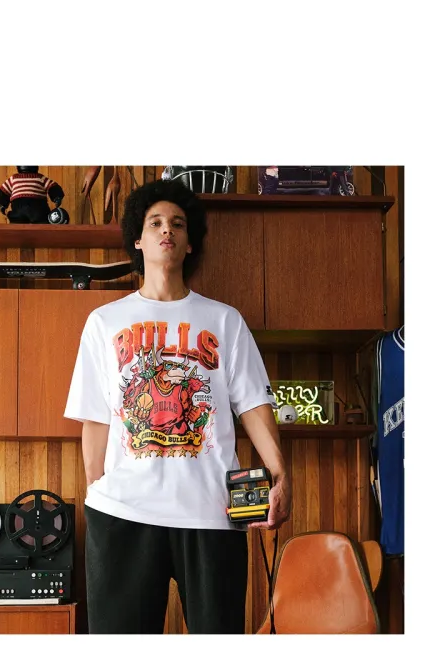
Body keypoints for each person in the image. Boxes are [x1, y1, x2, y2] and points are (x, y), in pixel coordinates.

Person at [64, 179, 290, 634]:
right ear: (138, 239)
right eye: (155, 223)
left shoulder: (224, 320)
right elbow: (95, 415)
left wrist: (281, 473)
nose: (167, 230)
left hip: (212, 513)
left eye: (178, 224)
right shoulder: (104, 321)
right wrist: (99, 488)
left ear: (189, 243)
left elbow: (253, 403)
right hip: (123, 513)